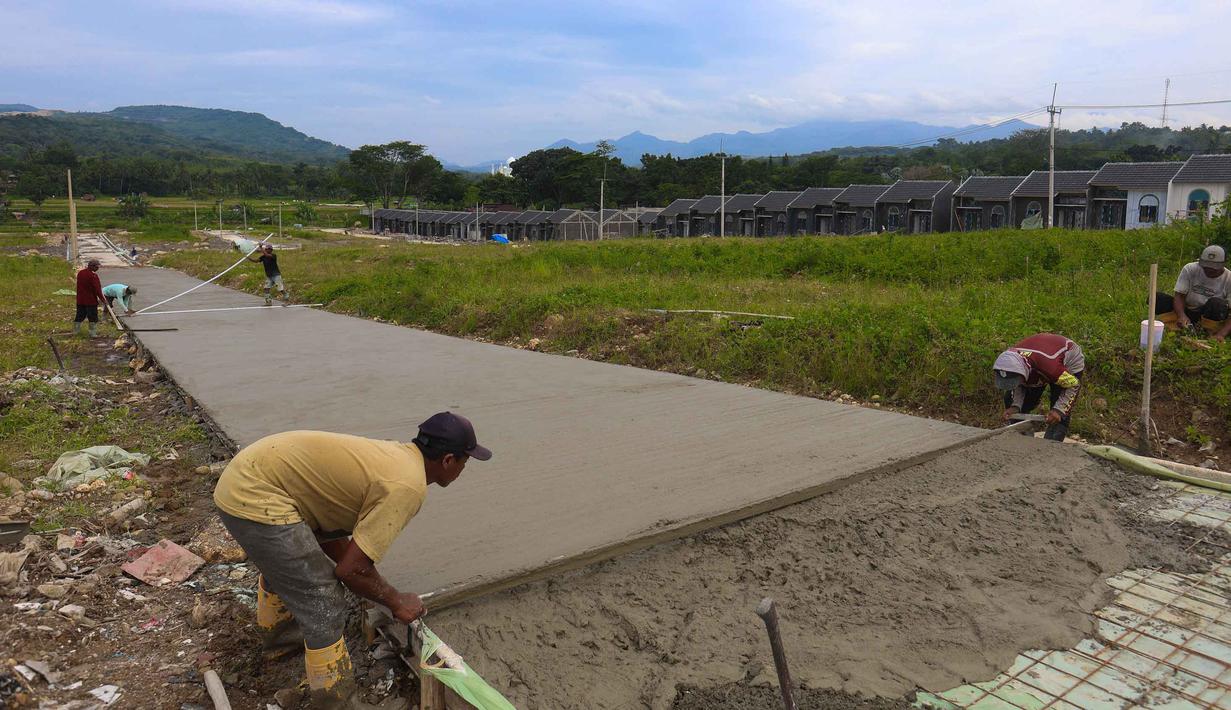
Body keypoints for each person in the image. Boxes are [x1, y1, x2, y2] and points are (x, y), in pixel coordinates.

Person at [213, 412, 492, 709]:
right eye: (465, 461)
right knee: (325, 598)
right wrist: (396, 601)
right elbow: (350, 571)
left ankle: (282, 646)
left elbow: (327, 518)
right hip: (256, 498)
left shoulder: (396, 456)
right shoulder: (407, 486)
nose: (463, 468)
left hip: (247, 477)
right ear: (448, 460)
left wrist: (364, 573)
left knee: (290, 569)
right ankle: (335, 702)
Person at [992, 333, 1085, 442]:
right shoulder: (1011, 360)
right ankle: (1022, 435)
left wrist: (1059, 410)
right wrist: (1016, 406)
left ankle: (1052, 443)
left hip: (1066, 360)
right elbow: (1018, 384)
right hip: (1037, 364)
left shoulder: (1051, 369)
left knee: (1059, 411)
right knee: (1011, 399)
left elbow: (1073, 384)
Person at [1155, 245, 1231, 342]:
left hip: (1209, 314)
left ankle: (1208, 333)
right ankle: (1177, 325)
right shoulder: (1190, 268)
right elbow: (1179, 295)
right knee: (1158, 298)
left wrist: (1221, 334)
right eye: (1206, 267)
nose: (1209, 270)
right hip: (1188, 310)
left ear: (1223, 264)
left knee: (1217, 304)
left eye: (1213, 268)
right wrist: (1181, 315)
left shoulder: (1229, 278)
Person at [73, 259, 106, 337]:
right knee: (93, 317)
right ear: (92, 266)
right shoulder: (93, 276)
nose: (98, 268)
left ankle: (76, 331)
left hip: (80, 300)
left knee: (79, 315)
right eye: (97, 266)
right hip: (90, 300)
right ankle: (92, 333)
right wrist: (103, 300)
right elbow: (97, 289)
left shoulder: (80, 273)